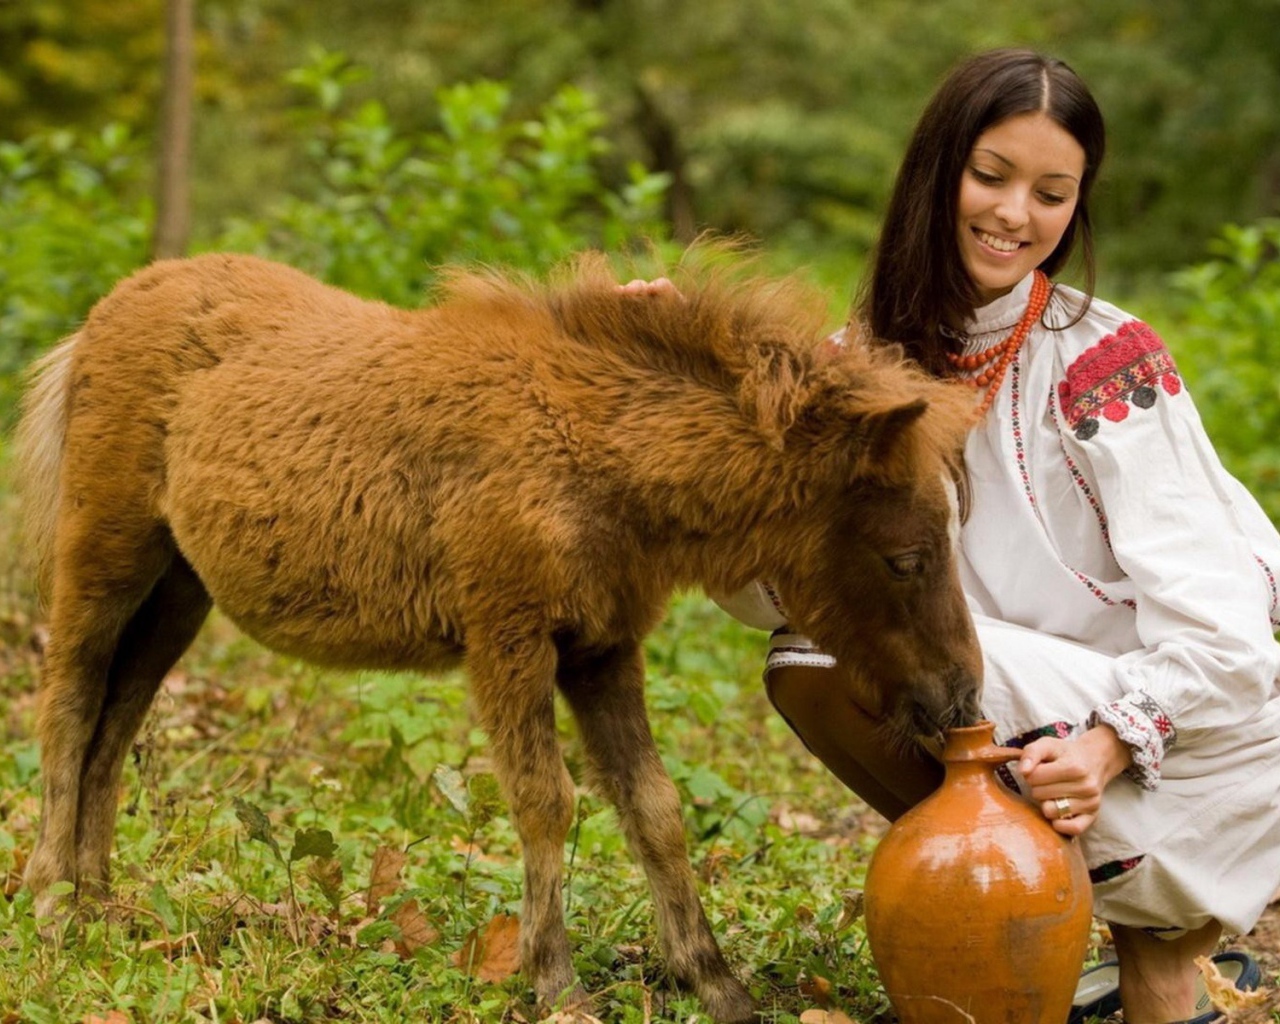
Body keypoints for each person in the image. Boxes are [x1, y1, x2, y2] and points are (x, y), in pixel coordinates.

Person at [631, 48, 1280, 1024]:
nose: (1014, 214)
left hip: (1186, 735)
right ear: (936, 172)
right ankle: (1027, 931)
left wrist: (1109, 742)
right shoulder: (858, 367)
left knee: (854, 656)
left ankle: (1141, 953)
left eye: (1050, 192)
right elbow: (778, 593)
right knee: (814, 655)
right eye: (990, 176)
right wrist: (708, 405)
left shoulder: (1102, 358)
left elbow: (1228, 637)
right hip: (1012, 703)